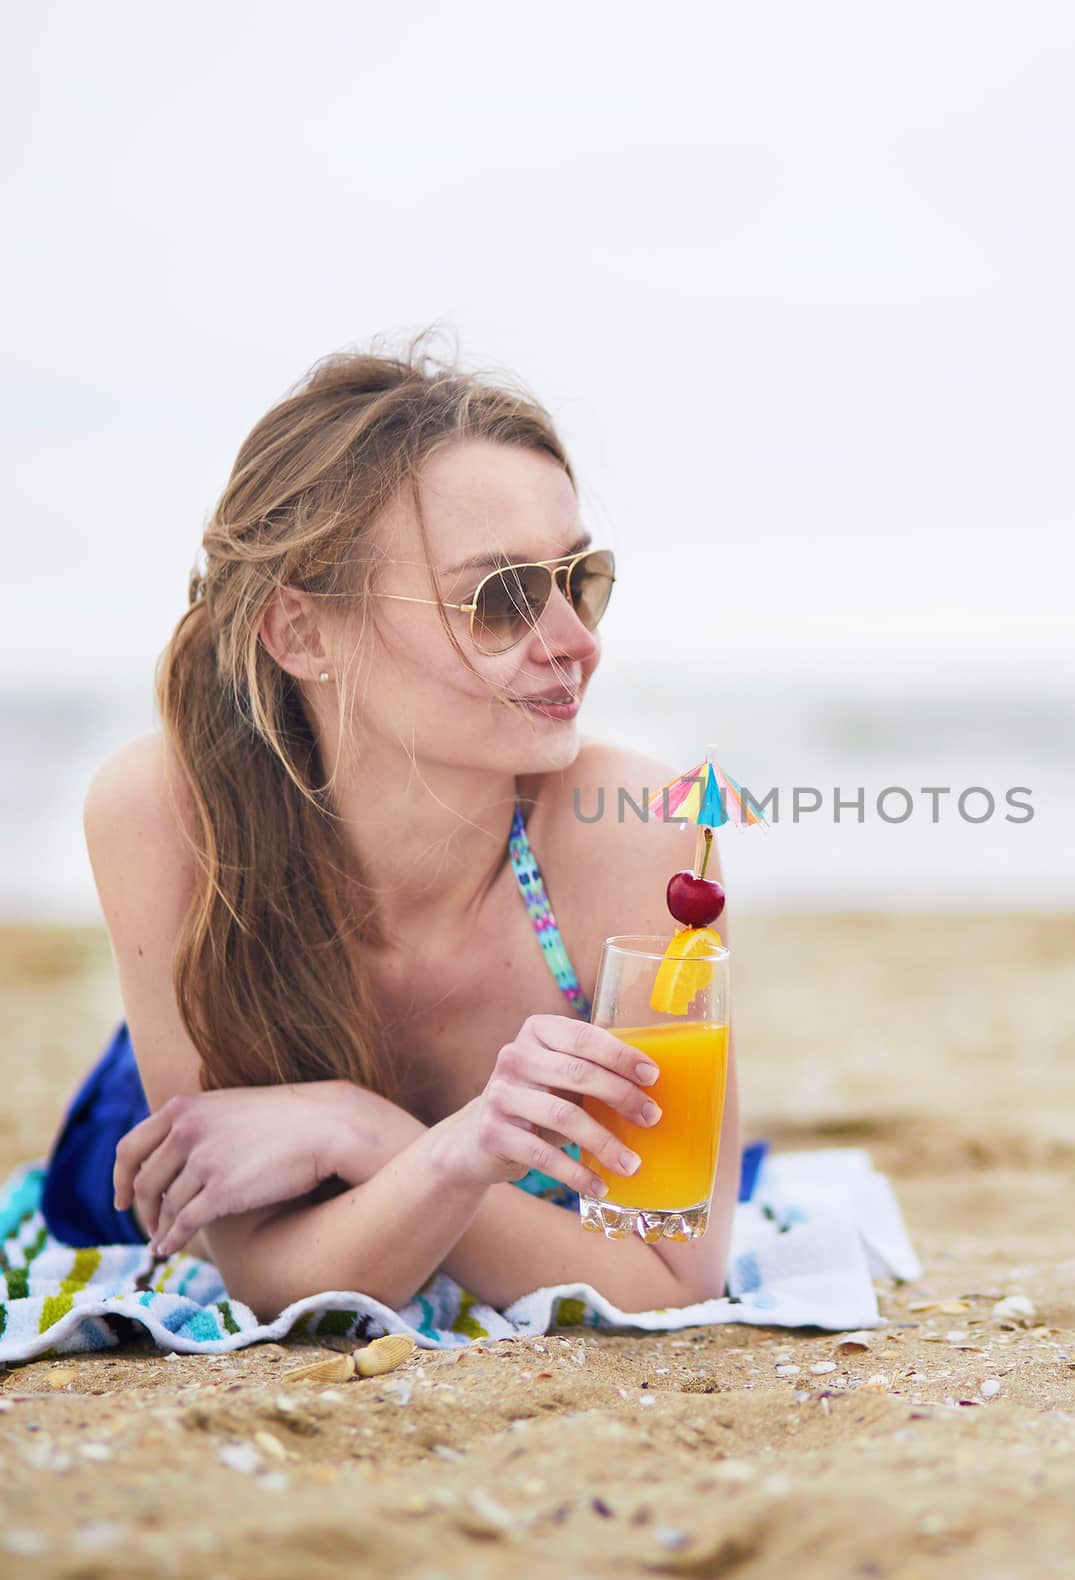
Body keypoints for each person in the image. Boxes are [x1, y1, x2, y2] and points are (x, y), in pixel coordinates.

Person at [37, 332, 742, 1321]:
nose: (578, 644)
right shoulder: (166, 817)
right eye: (499, 598)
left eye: (579, 580)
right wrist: (438, 1147)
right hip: (203, 1080)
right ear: (302, 633)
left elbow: (671, 1277)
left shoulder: (632, 830)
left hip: (411, 1126)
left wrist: (367, 1134)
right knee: (104, 1185)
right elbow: (263, 1268)